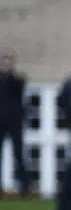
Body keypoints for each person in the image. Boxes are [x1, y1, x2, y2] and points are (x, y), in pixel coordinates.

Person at [0, 50, 31, 195]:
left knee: (19, 154)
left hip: (14, 122)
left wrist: (9, 73)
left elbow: (19, 85)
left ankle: (24, 186)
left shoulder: (17, 80)